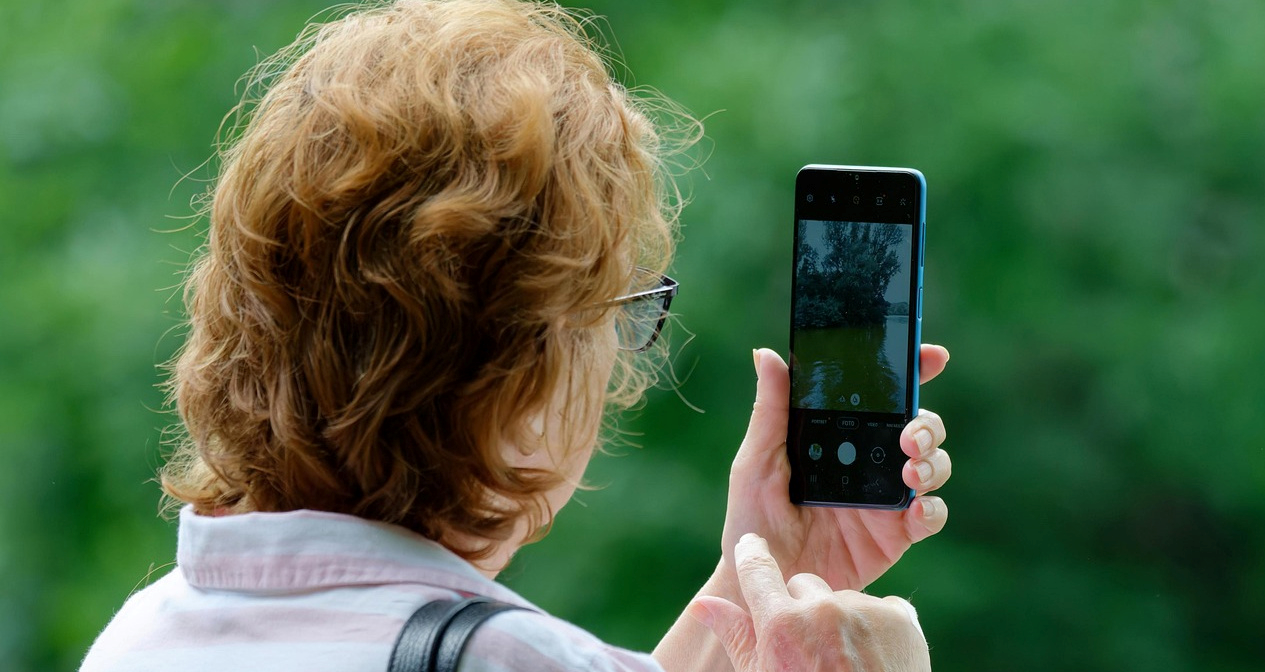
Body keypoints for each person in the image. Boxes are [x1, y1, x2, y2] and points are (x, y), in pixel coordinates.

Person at [80, 0, 953, 670]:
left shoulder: (139, 637)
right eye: (619, 307)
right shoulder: (506, 657)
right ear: (527, 351)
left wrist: (753, 580)